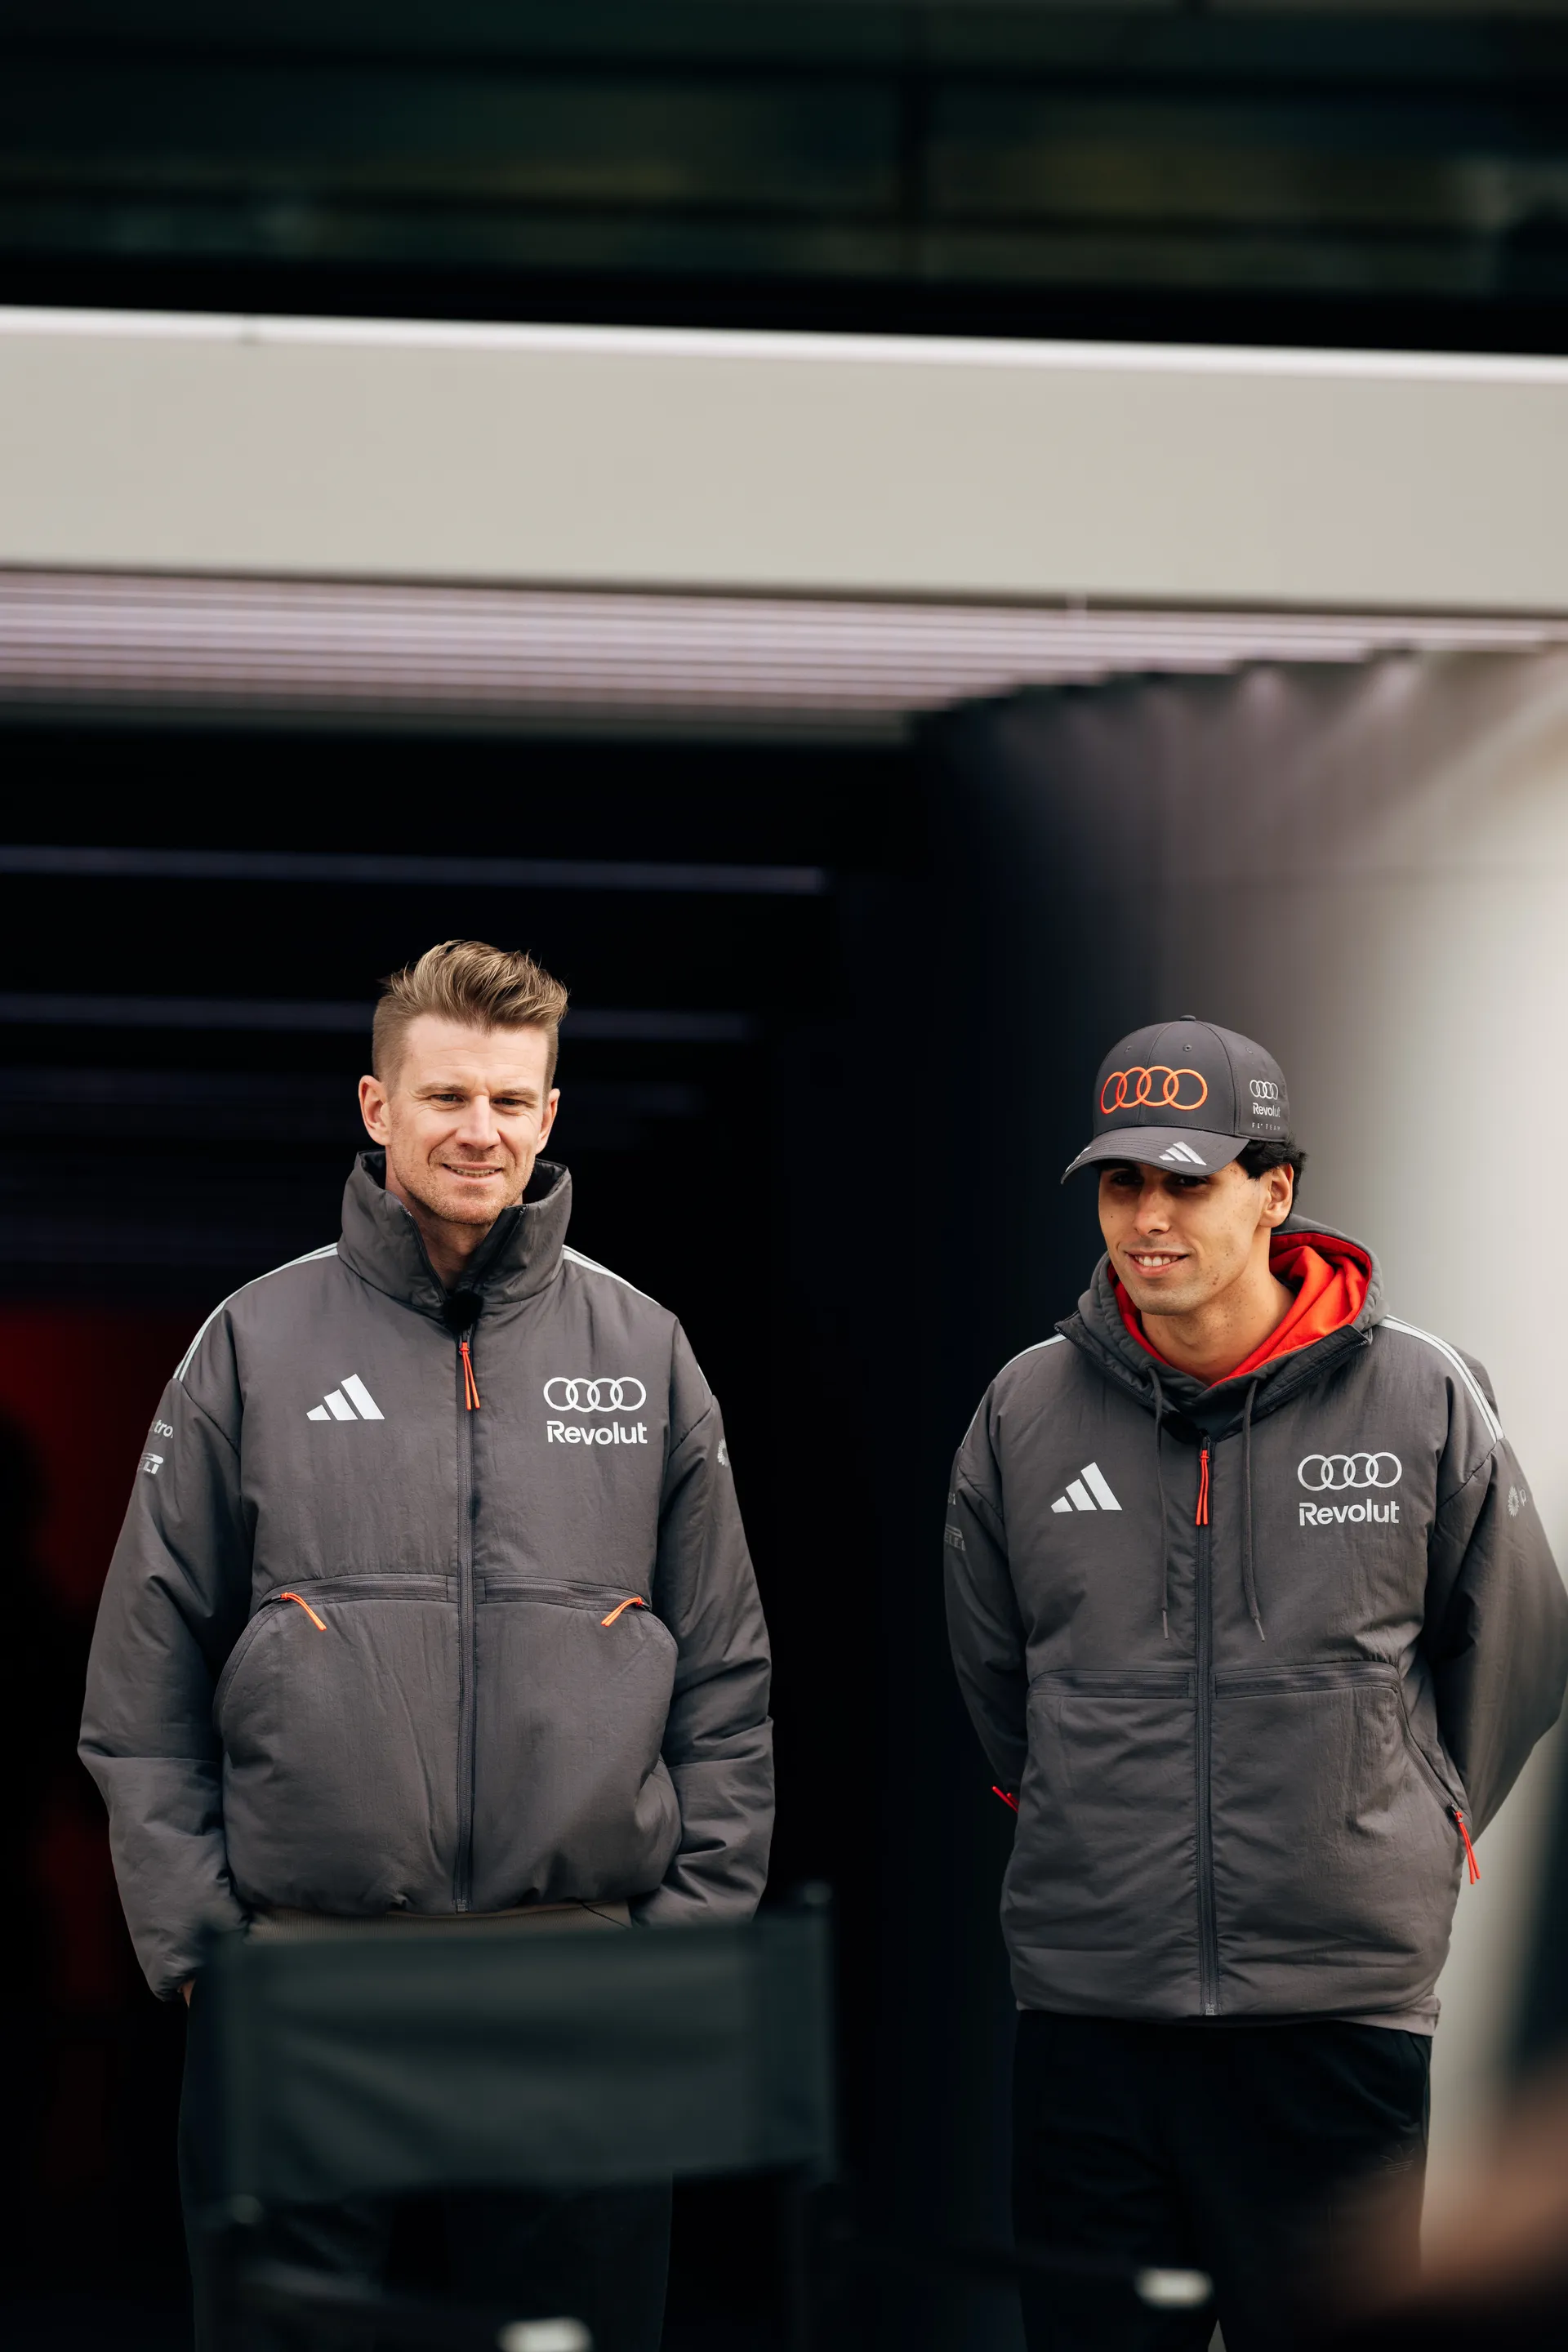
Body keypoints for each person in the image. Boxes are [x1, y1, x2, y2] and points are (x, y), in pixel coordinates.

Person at [81, 938, 773, 2352]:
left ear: (552, 1118)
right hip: (308, 1981)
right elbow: (141, 1678)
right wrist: (209, 1946)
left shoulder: (643, 1351)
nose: (481, 1131)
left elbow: (726, 1679)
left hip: (576, 1979)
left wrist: (681, 1947)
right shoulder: (252, 1344)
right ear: (376, 1107)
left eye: (513, 1102)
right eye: (447, 1096)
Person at [943, 1015, 1568, 2352]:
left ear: (1276, 1189)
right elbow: (997, 1675)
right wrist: (1088, 1821)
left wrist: (1407, 1826)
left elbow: (1517, 1650)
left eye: (1187, 1180)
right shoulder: (1023, 1410)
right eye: (1123, 1184)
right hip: (1089, 2017)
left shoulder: (1424, 1396)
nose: (1148, 1218)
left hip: (1334, 2017)